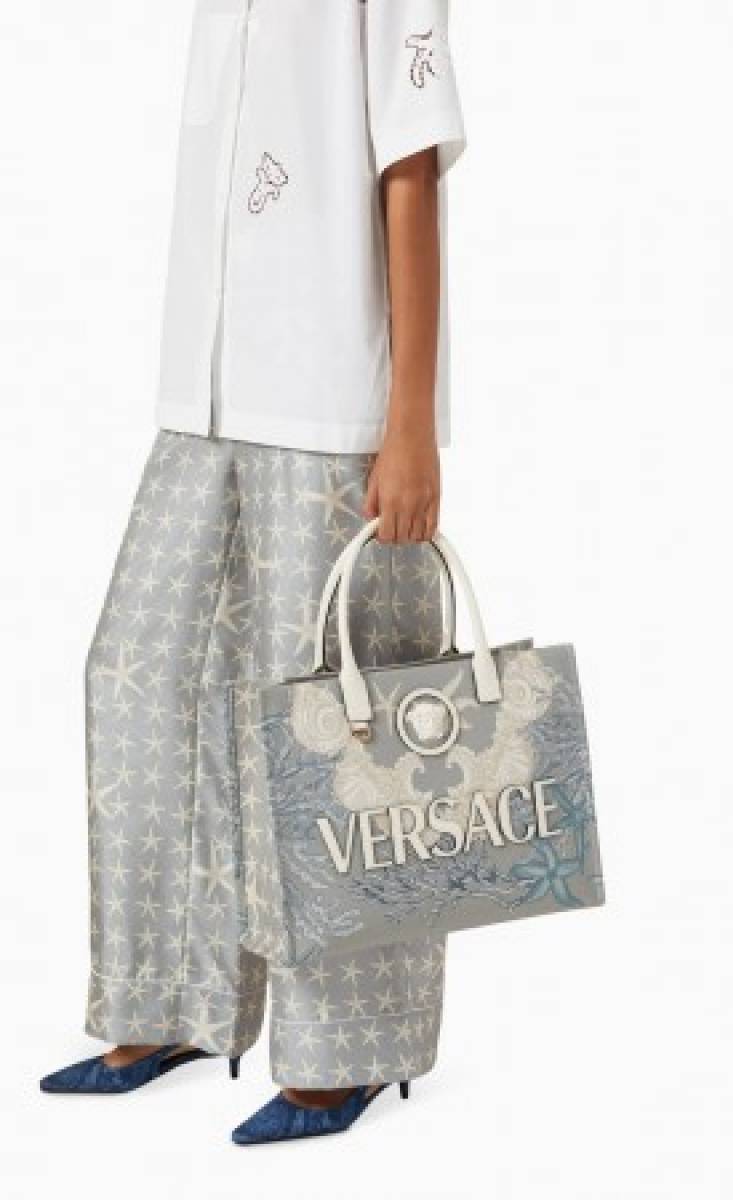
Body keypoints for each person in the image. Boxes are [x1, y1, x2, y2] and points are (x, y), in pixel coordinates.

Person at [40, 0, 466, 1144]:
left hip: (330, 407)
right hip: (203, 397)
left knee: (335, 729)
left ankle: (350, 1048)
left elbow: (410, 166)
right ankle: (176, 1000)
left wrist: (410, 423)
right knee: (141, 681)